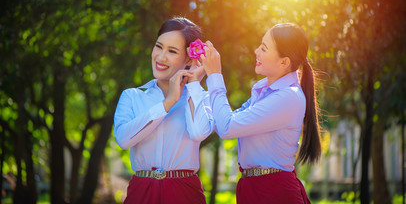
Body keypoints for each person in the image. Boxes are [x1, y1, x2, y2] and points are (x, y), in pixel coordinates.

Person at [200, 23, 321, 204]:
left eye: (264, 48)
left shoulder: (288, 97)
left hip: (274, 192)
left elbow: (227, 127)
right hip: (253, 188)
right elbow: (222, 122)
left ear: (284, 62)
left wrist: (215, 75)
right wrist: (197, 81)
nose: (256, 51)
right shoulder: (262, 90)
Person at [114, 17, 213, 204]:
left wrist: (193, 84)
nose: (160, 57)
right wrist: (168, 103)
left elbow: (199, 132)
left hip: (184, 192)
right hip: (142, 192)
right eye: (159, 46)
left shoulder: (202, 98)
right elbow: (123, 139)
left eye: (172, 51)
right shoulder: (132, 96)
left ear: (189, 59)